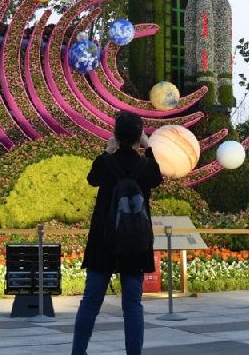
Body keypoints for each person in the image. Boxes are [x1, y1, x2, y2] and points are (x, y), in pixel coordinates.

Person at [71, 110, 163, 355]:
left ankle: (78, 352)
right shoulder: (145, 166)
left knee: (91, 302)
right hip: (135, 241)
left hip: (104, 240)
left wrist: (107, 151)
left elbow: (92, 178)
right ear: (138, 137)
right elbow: (157, 178)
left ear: (115, 134)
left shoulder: (105, 163)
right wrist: (148, 147)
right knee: (132, 305)